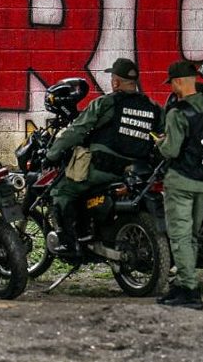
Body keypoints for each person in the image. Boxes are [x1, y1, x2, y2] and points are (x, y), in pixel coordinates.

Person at [45, 58, 164, 256]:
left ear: (116, 82)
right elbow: (164, 135)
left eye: (112, 79)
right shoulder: (153, 107)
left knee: (61, 190)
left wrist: (52, 154)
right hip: (136, 173)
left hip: (103, 170)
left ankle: (68, 243)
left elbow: (77, 130)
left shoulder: (106, 103)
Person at [156, 61, 203, 309]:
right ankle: (186, 282)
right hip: (202, 181)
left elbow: (172, 149)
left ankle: (189, 289)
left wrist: (160, 143)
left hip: (181, 181)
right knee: (193, 235)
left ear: (178, 82)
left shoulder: (178, 112)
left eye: (172, 82)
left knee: (180, 236)